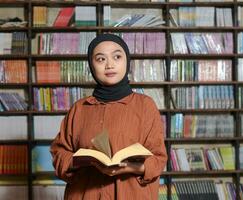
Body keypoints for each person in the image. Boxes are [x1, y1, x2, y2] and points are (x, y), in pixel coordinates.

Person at [50, 33, 168, 200]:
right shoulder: (79, 108)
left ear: (127, 61)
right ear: (91, 66)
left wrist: (131, 167)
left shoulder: (145, 106)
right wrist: (86, 161)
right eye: (100, 59)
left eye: (117, 56)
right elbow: (60, 155)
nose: (109, 65)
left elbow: (158, 160)